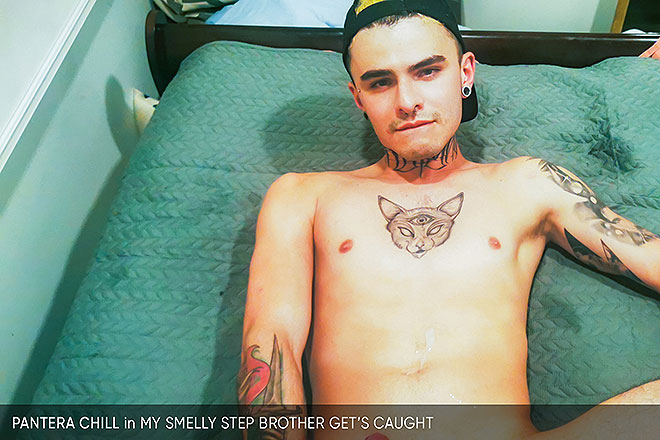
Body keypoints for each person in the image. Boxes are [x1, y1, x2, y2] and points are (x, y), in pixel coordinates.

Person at [238, 0, 660, 438]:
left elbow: (648, 256)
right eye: (380, 82)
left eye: (427, 71)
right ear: (358, 97)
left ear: (465, 73)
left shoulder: (528, 184)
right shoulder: (302, 196)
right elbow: (271, 346)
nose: (407, 102)